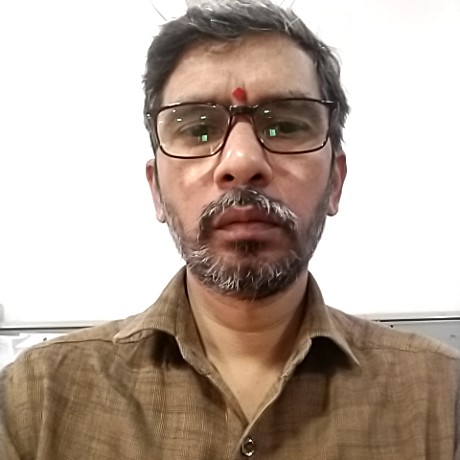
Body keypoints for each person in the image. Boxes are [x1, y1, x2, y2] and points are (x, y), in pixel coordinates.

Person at [1, 1, 459, 458]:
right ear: (157, 190)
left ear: (335, 182)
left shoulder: (443, 395)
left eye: (285, 126)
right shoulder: (33, 401)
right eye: (199, 130)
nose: (241, 162)